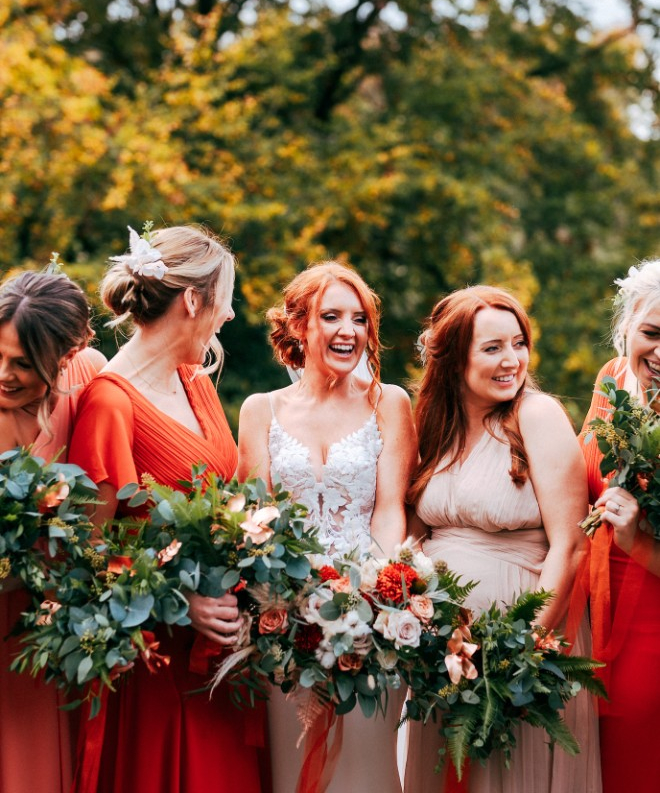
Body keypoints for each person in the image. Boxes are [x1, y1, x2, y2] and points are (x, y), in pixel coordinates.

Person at [67, 225, 267, 793]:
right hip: (158, 664)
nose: (228, 316)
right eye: (224, 300)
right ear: (193, 300)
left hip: (225, 658)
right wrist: (182, 605)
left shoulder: (195, 380)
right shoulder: (109, 403)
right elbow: (91, 556)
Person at [404, 285, 601, 793]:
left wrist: (525, 649)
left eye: (518, 343)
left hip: (520, 643)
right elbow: (415, 531)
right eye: (492, 348)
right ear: (452, 358)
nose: (511, 360)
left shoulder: (536, 416)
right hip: (443, 651)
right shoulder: (431, 424)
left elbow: (572, 544)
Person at [238, 260, 417, 793]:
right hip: (285, 617)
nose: (349, 331)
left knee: (368, 766)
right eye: (332, 316)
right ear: (299, 326)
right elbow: (256, 517)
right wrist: (278, 604)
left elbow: (389, 509)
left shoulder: (389, 403)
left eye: (359, 319)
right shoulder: (259, 409)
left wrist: (383, 599)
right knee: (296, 769)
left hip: (370, 614)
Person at [0, 269, 106, 793]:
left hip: (48, 622)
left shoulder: (89, 376)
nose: (3, 374)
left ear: (65, 357)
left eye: (22, 364)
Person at [579, 259, 660, 793]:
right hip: (590, 613)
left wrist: (639, 540)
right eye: (652, 333)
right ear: (627, 325)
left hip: (651, 617)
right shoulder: (612, 379)